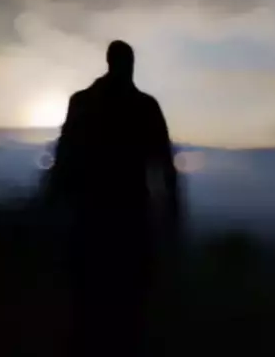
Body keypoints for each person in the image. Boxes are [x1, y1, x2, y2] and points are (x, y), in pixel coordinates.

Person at [46, 40, 182, 356]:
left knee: (89, 301)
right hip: (125, 216)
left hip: (93, 215)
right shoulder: (144, 107)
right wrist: (172, 212)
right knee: (123, 303)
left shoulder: (83, 103)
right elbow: (164, 165)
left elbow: (63, 156)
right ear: (128, 64)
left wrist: (52, 201)